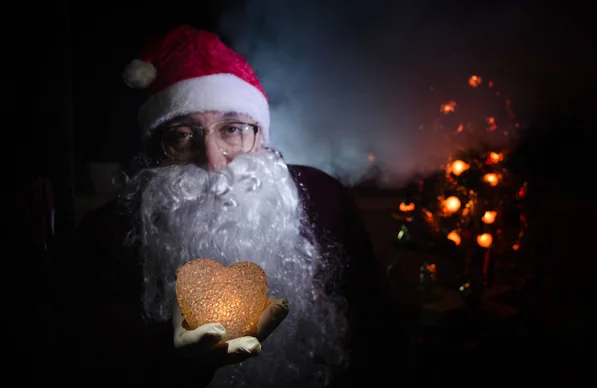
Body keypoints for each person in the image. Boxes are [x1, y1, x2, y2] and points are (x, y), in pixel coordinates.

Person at [63, 25, 389, 387]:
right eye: (184, 135)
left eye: (232, 129)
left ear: (261, 137)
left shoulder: (325, 198)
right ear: (157, 150)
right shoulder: (105, 235)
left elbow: (378, 335)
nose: (214, 160)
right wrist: (180, 364)